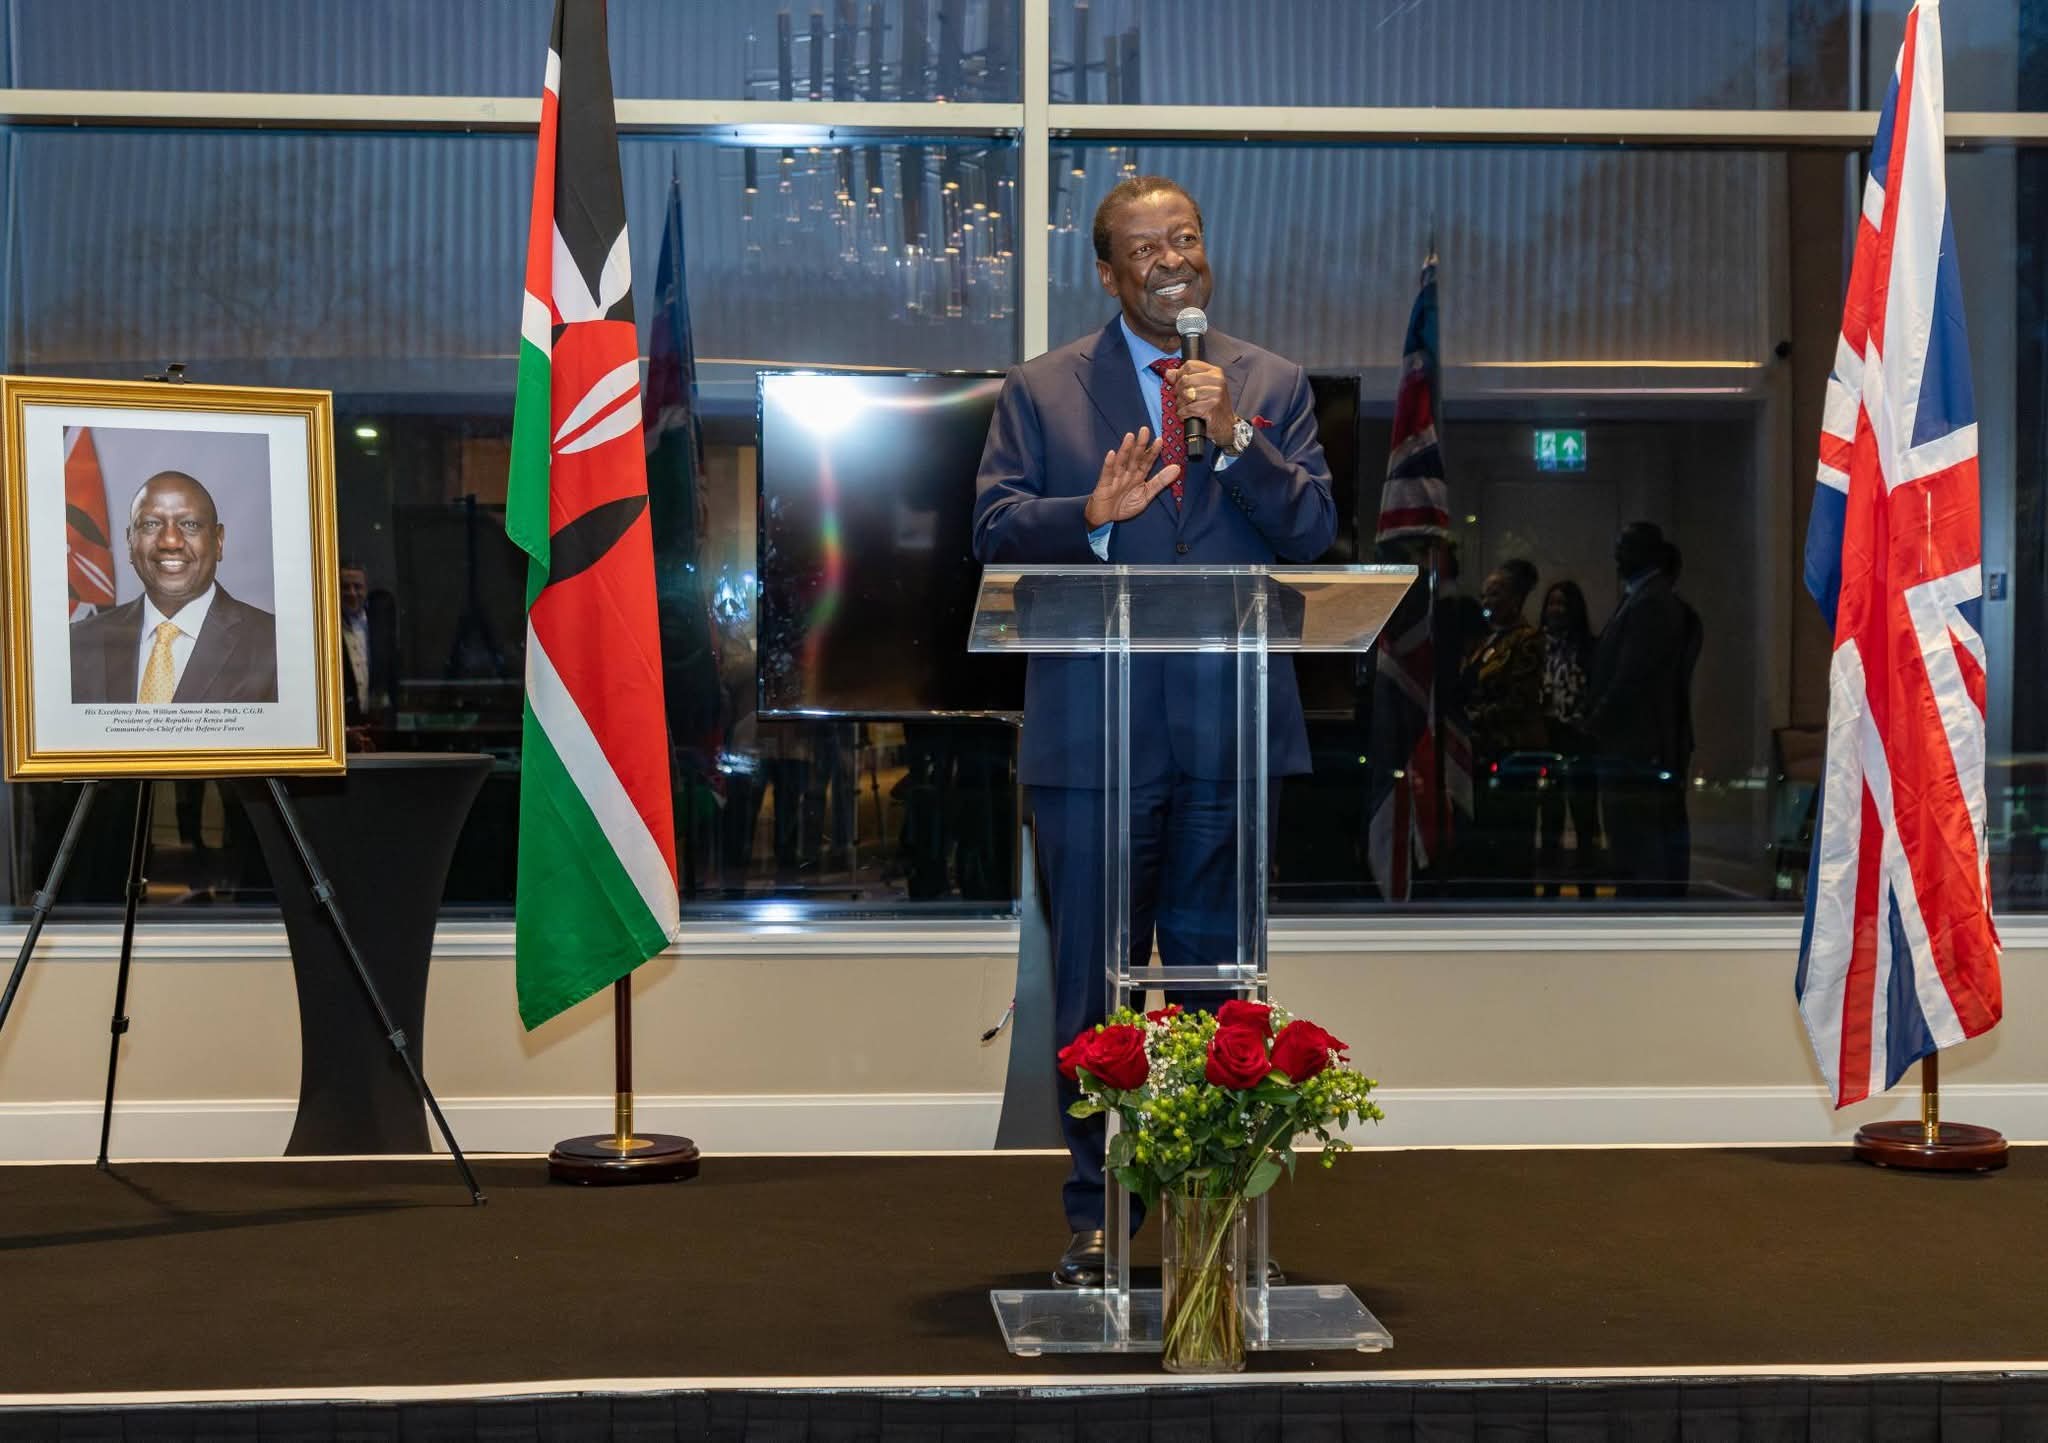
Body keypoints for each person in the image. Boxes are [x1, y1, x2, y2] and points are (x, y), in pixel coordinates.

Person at [971, 176, 1336, 1288]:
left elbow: (1315, 532)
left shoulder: (1267, 384)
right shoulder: (1040, 393)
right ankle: (1097, 1216)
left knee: (1219, 997)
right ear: (1106, 270)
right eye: (1143, 246)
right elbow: (989, 527)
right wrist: (1085, 516)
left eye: (1183, 237)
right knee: (1093, 993)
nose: (1168, 258)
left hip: (1228, 738)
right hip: (1095, 745)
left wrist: (1235, 443)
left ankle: (1216, 1205)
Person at [69, 470, 277, 705]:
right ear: (130, 542)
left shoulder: (274, 644)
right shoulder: (78, 643)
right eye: (150, 524)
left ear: (218, 542)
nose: (170, 541)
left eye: (189, 524)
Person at [1582, 522, 1697, 898]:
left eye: (1625, 547)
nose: (1617, 556)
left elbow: (1634, 676)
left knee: (1640, 840)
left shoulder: (1651, 603)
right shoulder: (1643, 598)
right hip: (1636, 744)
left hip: (1637, 746)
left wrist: (1598, 717)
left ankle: (1644, 908)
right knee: (1633, 838)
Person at [1456, 566, 1545, 892]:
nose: (1487, 601)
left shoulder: (1527, 640)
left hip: (1511, 752)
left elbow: (1519, 700)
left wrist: (1472, 720)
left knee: (1511, 838)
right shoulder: (1483, 641)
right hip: (1478, 751)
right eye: (1484, 594)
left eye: (1495, 594)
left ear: (1516, 599)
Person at [1534, 580, 1602, 893]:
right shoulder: (1535, 645)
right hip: (1547, 736)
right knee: (1550, 814)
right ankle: (1549, 886)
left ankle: (1587, 885)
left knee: (1585, 813)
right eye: (1552, 603)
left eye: (1563, 604)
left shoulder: (1590, 647)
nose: (1557, 610)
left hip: (1579, 736)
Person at [340, 558, 399, 750]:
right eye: (345, 587)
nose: (352, 593)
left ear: (366, 589)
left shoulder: (381, 629)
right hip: (345, 731)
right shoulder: (326, 629)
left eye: (358, 587)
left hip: (380, 727)